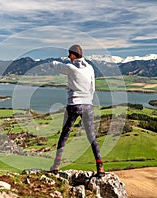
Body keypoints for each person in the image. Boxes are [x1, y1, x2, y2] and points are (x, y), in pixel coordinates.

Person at [50, 44, 104, 176]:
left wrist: (51, 62)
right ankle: (100, 167)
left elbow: (55, 64)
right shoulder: (90, 68)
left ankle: (56, 166)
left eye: (70, 54)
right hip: (88, 105)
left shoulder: (70, 67)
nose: (69, 57)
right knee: (92, 137)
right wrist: (88, 100)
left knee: (64, 135)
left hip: (74, 105)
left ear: (74, 55)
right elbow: (93, 88)